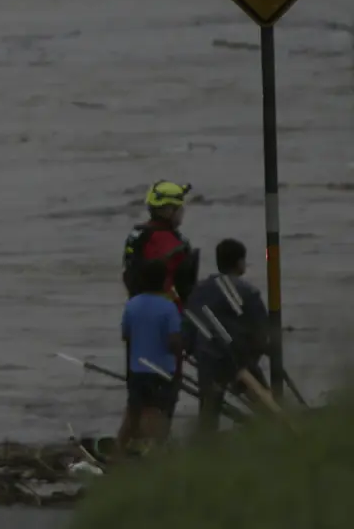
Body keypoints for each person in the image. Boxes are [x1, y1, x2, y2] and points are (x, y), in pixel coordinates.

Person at [182, 237, 271, 433]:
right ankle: (275, 435)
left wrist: (191, 349)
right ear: (240, 263)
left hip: (208, 357)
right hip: (238, 358)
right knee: (265, 404)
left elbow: (189, 326)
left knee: (209, 411)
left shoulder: (199, 290)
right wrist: (261, 351)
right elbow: (261, 332)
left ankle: (205, 450)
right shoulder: (247, 291)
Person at [116, 257, 183, 456]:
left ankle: (117, 454)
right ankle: (155, 455)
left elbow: (126, 336)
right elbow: (174, 342)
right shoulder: (168, 307)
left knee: (133, 413)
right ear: (165, 282)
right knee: (159, 414)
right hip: (162, 370)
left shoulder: (132, 305)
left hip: (137, 370)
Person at [122, 181, 198, 307]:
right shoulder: (170, 241)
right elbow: (183, 286)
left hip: (136, 306)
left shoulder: (138, 233)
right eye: (179, 208)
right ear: (167, 210)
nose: (182, 212)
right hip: (166, 310)